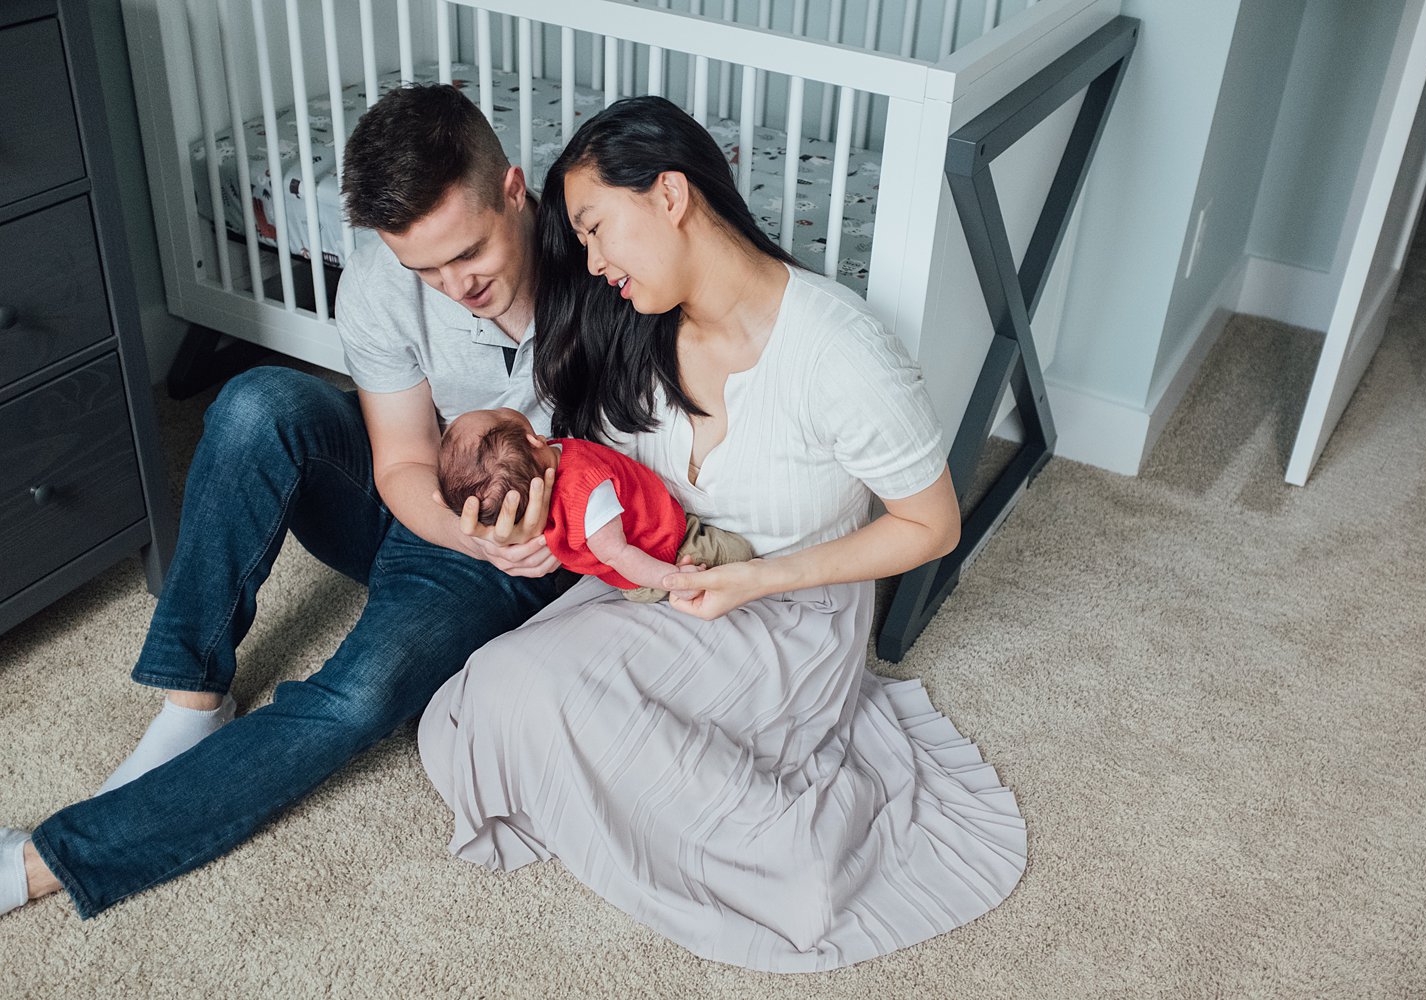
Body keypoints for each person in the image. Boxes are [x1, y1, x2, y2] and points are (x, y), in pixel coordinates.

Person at [417, 96, 1028, 973]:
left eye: (595, 229)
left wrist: (755, 582)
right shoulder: (630, 325)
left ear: (670, 195)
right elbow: (597, 493)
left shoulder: (840, 351)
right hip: (664, 580)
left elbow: (931, 527)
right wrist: (543, 537)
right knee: (470, 711)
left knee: (534, 697)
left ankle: (736, 814)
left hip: (784, 612)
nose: (590, 264)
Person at [0, 84, 561, 919]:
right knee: (260, 401)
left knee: (357, 696)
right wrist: (455, 531)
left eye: (468, 253)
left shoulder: (600, 265)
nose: (451, 284)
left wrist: (503, 546)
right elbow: (402, 458)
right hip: (427, 512)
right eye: (424, 266)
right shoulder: (384, 276)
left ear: (514, 191)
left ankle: (48, 862)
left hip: (524, 555)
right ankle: (195, 701)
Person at [436, 406, 753, 601]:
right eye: (496, 412)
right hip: (664, 553)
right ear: (532, 439)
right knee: (740, 552)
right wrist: (674, 580)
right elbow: (619, 554)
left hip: (654, 545)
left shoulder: (545, 459)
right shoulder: (587, 494)